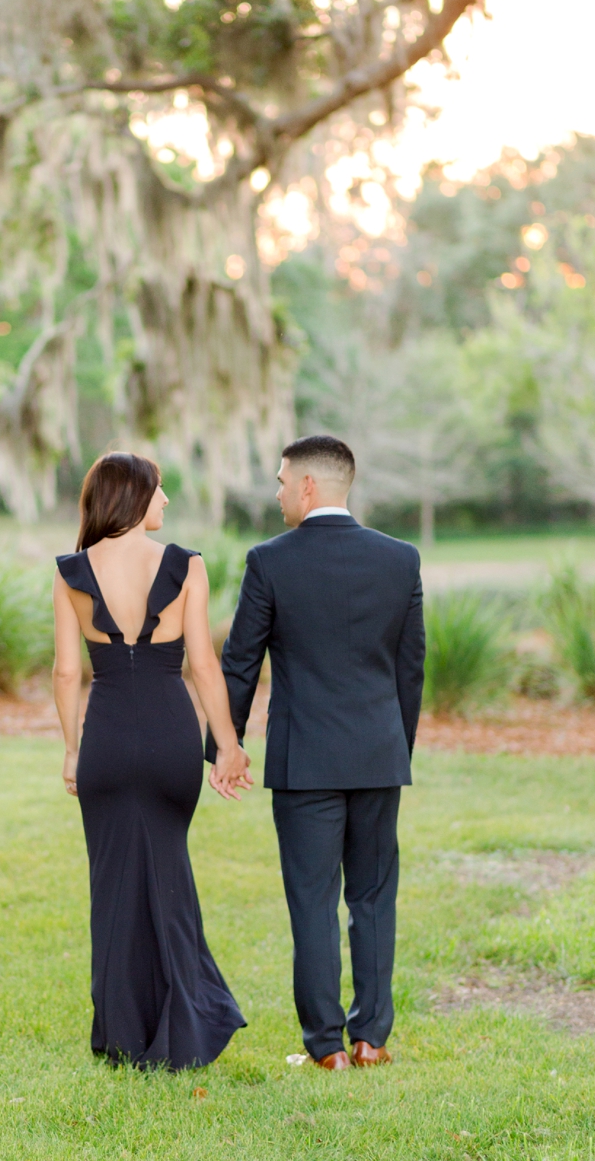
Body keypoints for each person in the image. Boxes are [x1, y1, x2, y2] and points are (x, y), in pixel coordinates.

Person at [212, 435, 425, 1070]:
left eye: (282, 481)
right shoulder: (400, 559)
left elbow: (240, 662)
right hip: (378, 755)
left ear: (307, 486)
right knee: (373, 896)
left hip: (304, 761)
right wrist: (396, 748)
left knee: (311, 901)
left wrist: (226, 746)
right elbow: (410, 668)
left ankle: (327, 1048)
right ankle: (372, 1040)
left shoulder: (269, 561)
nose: (277, 492)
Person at [52, 452, 252, 1070]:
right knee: (169, 877)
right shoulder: (187, 566)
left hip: (107, 740)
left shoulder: (71, 572)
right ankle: (184, 1024)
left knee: (112, 887)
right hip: (170, 739)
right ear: (135, 496)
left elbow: (66, 673)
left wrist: (72, 750)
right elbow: (204, 666)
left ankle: (122, 1035)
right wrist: (227, 746)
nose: (165, 500)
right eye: (160, 489)